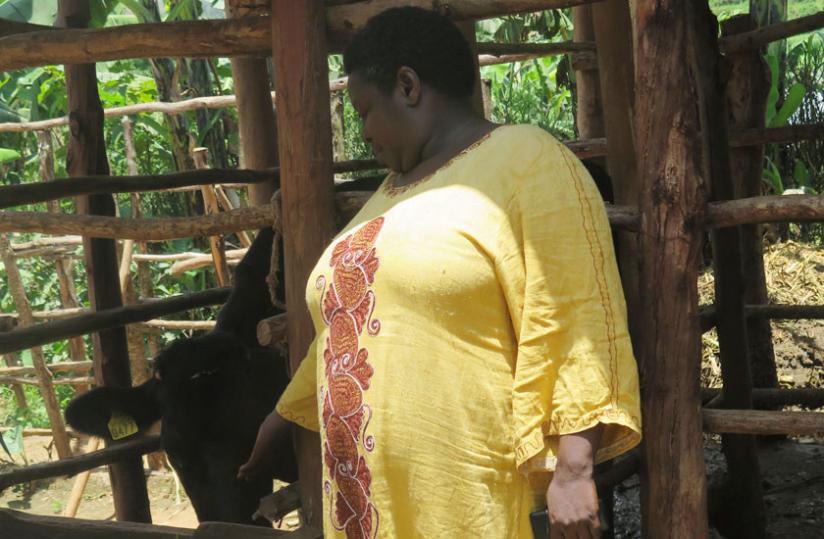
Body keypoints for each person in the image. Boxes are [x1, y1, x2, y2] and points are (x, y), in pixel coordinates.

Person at [239, 7, 641, 538]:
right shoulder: (388, 194)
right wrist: (286, 412)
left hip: (472, 498)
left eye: (364, 110)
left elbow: (573, 316)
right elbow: (355, 322)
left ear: (407, 85)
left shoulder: (527, 161)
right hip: (371, 504)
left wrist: (573, 468)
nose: (364, 133)